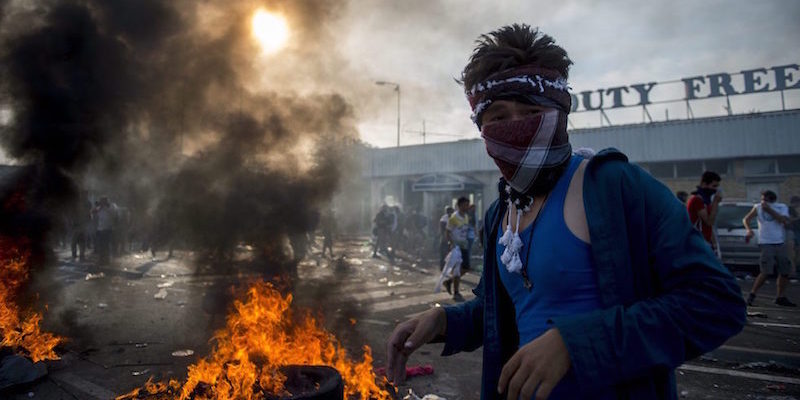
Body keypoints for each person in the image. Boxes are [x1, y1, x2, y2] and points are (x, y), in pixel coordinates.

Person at [386, 24, 745, 400]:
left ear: (560, 113)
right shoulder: (499, 214)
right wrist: (444, 320)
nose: (515, 126)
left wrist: (575, 344)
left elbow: (717, 303)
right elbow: (510, 311)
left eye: (530, 111)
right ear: (481, 126)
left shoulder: (613, 187)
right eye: (498, 117)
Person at [743, 190, 796, 307]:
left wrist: (769, 210)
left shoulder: (781, 207)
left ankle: (780, 296)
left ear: (770, 199)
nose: (762, 202)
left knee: (785, 270)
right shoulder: (757, 207)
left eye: (764, 199)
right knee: (766, 271)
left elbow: (783, 220)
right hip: (766, 242)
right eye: (762, 199)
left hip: (780, 242)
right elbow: (746, 219)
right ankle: (752, 294)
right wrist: (749, 229)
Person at [686, 171, 722, 253]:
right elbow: (709, 221)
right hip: (697, 243)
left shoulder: (705, 201)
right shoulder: (697, 200)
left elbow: (708, 227)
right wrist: (715, 202)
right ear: (704, 184)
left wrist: (714, 244)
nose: (715, 189)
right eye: (714, 186)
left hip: (704, 243)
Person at [444, 197, 472, 301]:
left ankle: (449, 282)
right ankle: (456, 293)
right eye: (465, 205)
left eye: (468, 205)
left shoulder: (466, 217)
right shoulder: (454, 217)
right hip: (456, 247)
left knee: (466, 268)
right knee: (457, 270)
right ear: (459, 205)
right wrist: (450, 244)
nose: (467, 207)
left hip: (464, 246)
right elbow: (447, 232)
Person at [786, 195, 800, 271]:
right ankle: (793, 267)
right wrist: (798, 218)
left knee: (797, 250)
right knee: (793, 251)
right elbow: (789, 220)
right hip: (794, 231)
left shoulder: (793, 210)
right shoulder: (790, 209)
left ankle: (795, 265)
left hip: (795, 231)